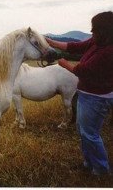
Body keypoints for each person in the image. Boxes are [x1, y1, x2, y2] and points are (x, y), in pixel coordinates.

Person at [46, 11, 113, 176]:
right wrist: (52, 43)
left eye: (94, 29)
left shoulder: (108, 52)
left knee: (90, 133)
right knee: (83, 130)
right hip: (87, 94)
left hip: (96, 98)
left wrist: (63, 64)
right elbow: (77, 47)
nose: (91, 32)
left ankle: (101, 170)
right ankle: (89, 162)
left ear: (104, 31)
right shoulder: (99, 42)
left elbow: (83, 71)